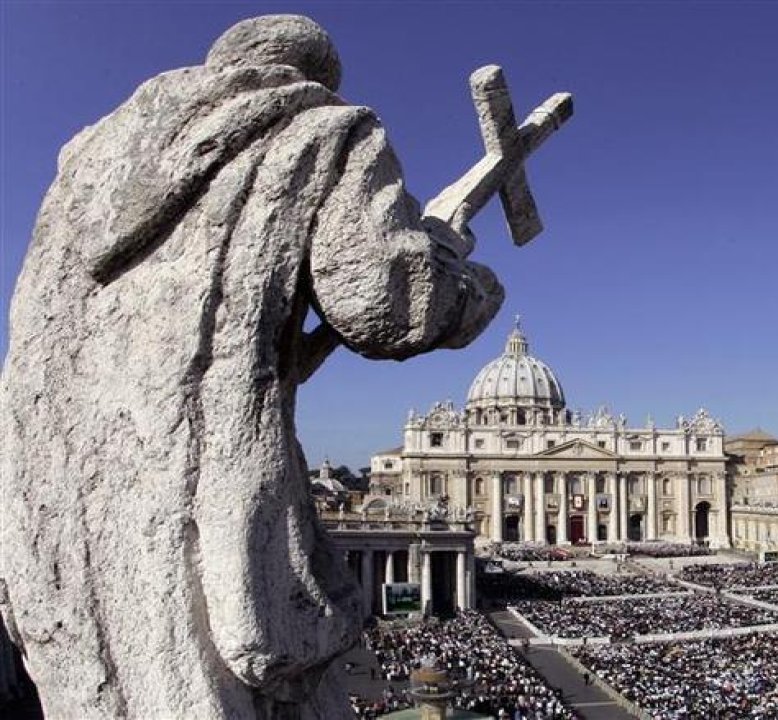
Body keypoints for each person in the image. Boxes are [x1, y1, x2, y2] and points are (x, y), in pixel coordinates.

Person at [0, 15, 503, 720]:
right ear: (315, 76)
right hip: (203, 479)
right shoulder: (327, 128)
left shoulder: (85, 164)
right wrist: (464, 280)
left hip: (50, 502)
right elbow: (387, 304)